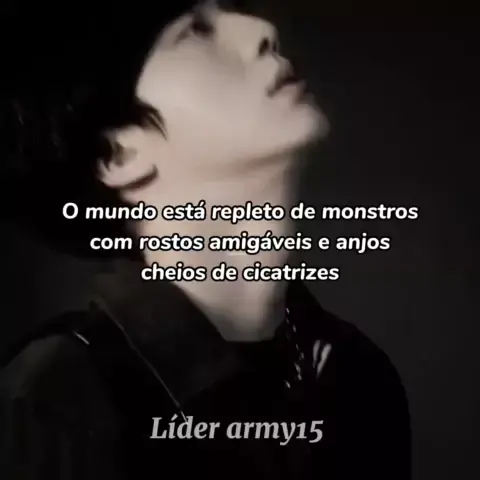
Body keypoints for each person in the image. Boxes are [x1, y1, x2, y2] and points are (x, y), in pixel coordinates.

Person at [0, 1, 411, 478]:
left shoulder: (356, 374)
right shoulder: (53, 399)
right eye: (194, 32)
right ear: (119, 154)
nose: (262, 30)